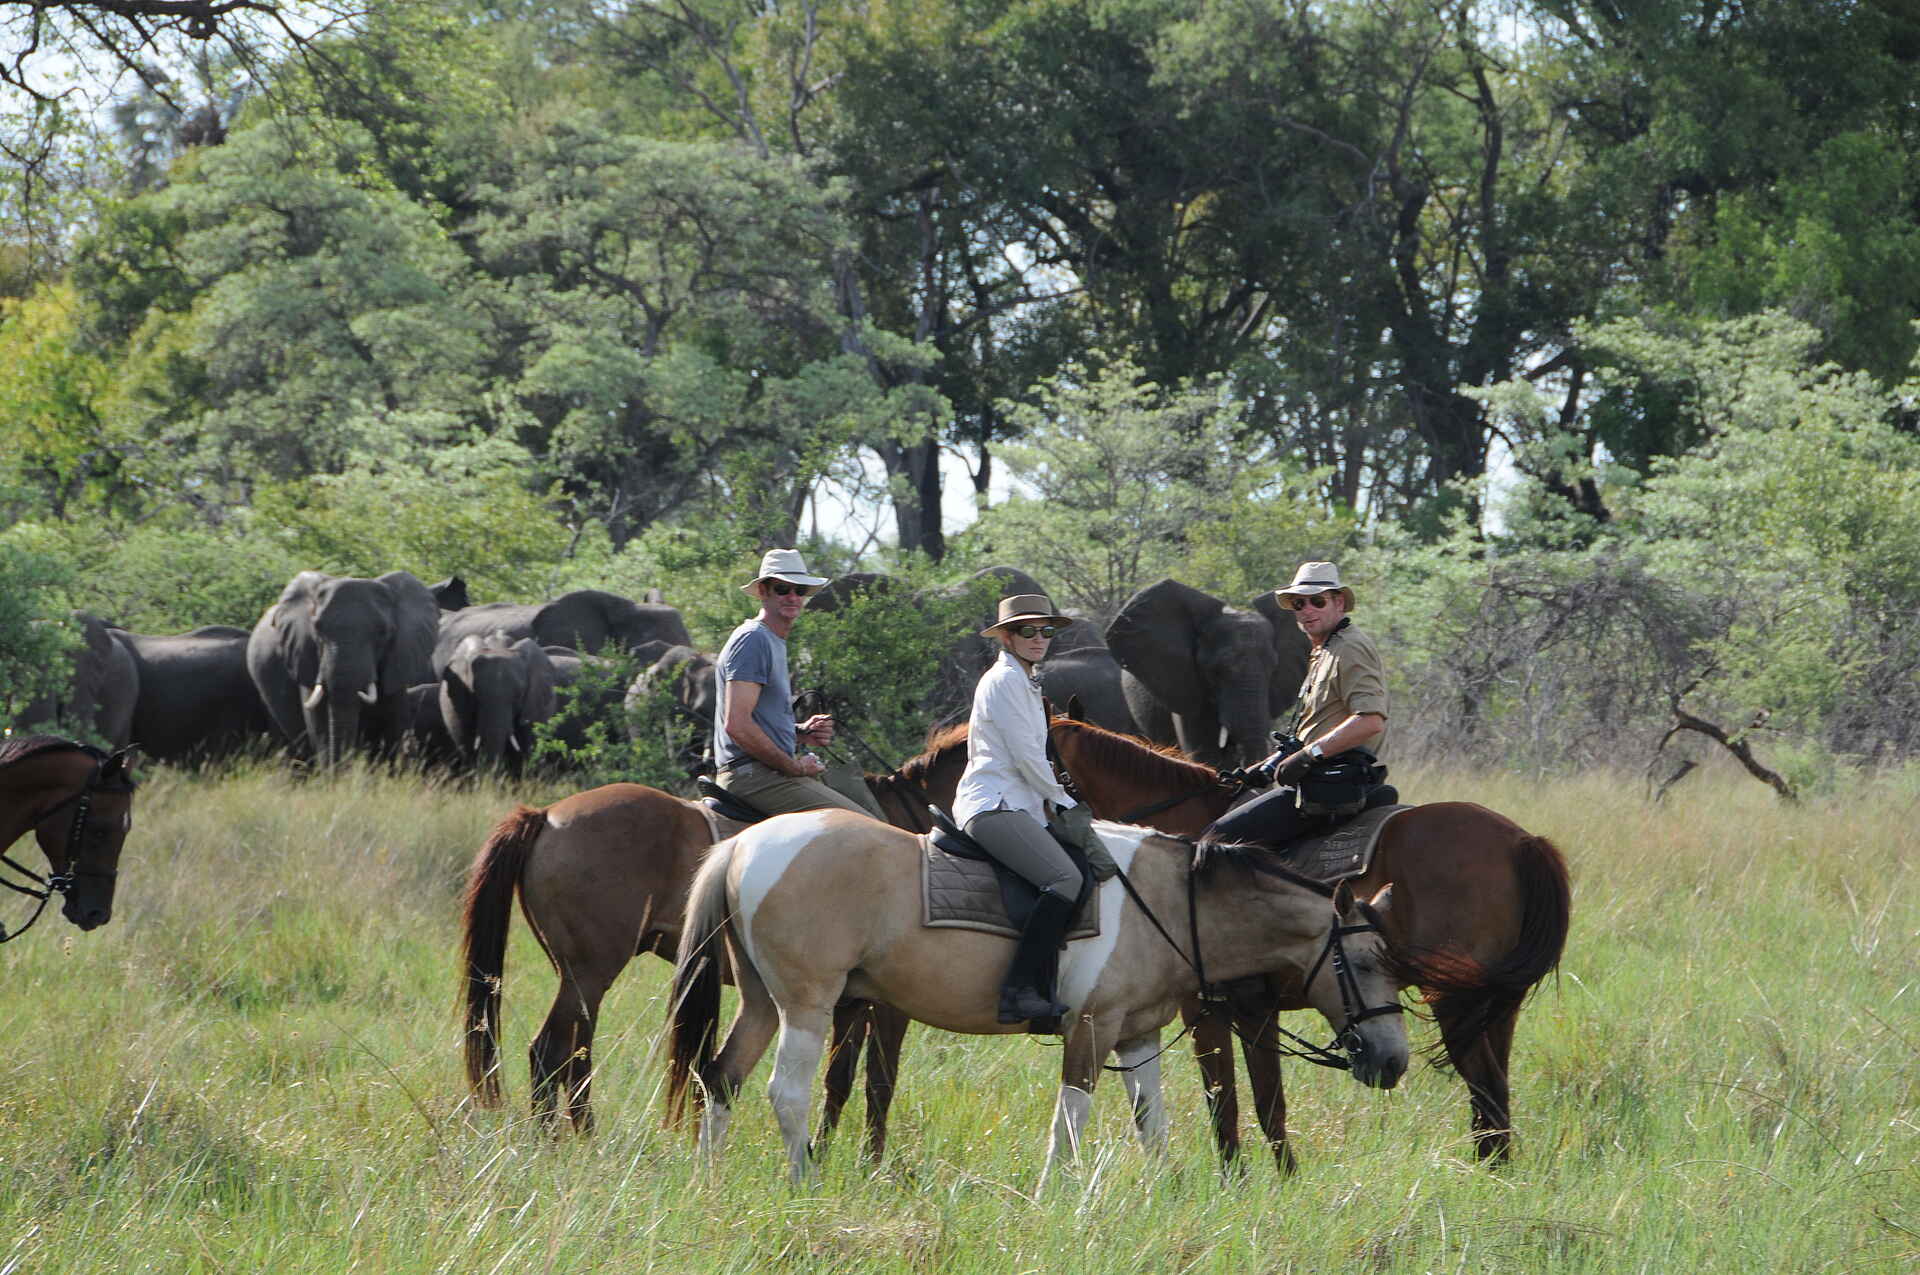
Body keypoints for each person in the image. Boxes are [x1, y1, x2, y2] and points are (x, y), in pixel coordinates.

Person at [953, 593, 1106, 1024]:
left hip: (1022, 805)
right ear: (1006, 636)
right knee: (1064, 877)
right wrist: (1066, 800)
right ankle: (1018, 991)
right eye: (1027, 630)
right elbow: (1026, 757)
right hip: (995, 804)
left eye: (1047, 630)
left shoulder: (1026, 679)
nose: (1039, 638)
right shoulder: (1003, 682)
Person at [1200, 562, 1389, 849]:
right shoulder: (1325, 649)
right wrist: (1263, 767)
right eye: (1299, 604)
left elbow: (1370, 720)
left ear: (1339, 602)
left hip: (1331, 784)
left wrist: (1308, 756)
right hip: (1314, 778)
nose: (1307, 610)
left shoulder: (1349, 648)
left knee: (1216, 840)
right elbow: (1318, 727)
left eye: (1317, 601)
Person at [712, 548, 885, 820]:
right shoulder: (753, 639)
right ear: (762, 592)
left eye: (800, 589)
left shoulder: (771, 639)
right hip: (753, 775)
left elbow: (754, 720)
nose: (792, 597)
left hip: (765, 772)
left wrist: (798, 732)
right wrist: (795, 768)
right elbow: (737, 724)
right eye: (782, 588)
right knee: (866, 827)